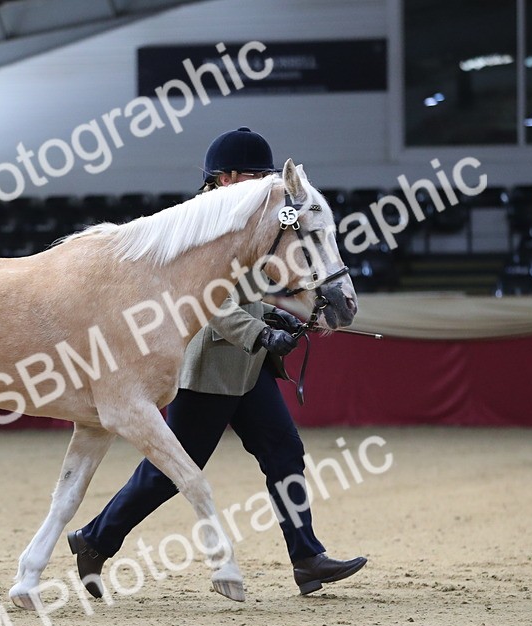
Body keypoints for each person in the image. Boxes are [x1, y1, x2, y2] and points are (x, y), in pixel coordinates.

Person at [67, 126, 366, 598]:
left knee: (284, 451)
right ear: (223, 178)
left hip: (248, 369)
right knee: (168, 473)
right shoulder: (199, 225)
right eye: (252, 175)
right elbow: (209, 303)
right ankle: (95, 539)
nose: (262, 185)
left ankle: (306, 557)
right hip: (209, 368)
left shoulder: (249, 220)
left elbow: (243, 295)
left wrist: (277, 318)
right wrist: (261, 332)